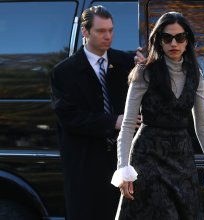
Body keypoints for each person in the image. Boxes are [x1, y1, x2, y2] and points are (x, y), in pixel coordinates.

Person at [111, 11, 204, 220]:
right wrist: (123, 169)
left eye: (180, 37)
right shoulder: (144, 72)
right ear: (159, 41)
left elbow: (202, 127)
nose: (174, 43)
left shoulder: (196, 75)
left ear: (187, 41)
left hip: (182, 157)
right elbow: (129, 123)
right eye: (167, 37)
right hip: (148, 156)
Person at [51, 5, 138, 220]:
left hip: (122, 162)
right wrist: (113, 121)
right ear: (85, 32)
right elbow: (69, 117)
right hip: (85, 163)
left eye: (110, 30)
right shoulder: (64, 72)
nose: (107, 36)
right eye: (101, 31)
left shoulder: (126, 63)